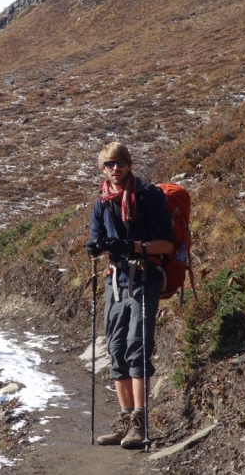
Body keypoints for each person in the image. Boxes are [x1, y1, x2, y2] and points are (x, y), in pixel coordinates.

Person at [85, 142, 174, 449]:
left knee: (138, 347)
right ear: (102, 169)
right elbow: (97, 241)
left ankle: (140, 421)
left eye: (119, 163)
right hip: (116, 282)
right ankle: (125, 420)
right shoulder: (102, 201)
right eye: (109, 165)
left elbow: (167, 245)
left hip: (146, 277)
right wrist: (95, 249)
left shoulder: (149, 197)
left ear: (129, 164)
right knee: (116, 348)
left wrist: (134, 247)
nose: (115, 169)